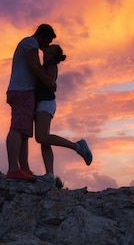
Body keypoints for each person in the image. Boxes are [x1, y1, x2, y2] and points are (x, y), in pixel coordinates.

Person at [5, 24, 57, 181]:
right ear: (43, 35)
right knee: (17, 128)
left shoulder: (30, 44)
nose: (46, 46)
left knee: (24, 132)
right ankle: (13, 169)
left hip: (25, 91)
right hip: (22, 90)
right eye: (48, 41)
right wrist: (49, 81)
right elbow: (33, 65)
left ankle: (24, 169)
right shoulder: (31, 42)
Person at [34, 44, 92, 183]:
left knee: (42, 137)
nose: (48, 46)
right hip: (43, 103)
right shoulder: (47, 64)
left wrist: (36, 70)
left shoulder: (51, 63)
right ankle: (49, 174)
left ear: (53, 53)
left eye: (51, 47)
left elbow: (50, 82)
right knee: (44, 139)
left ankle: (78, 147)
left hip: (46, 102)